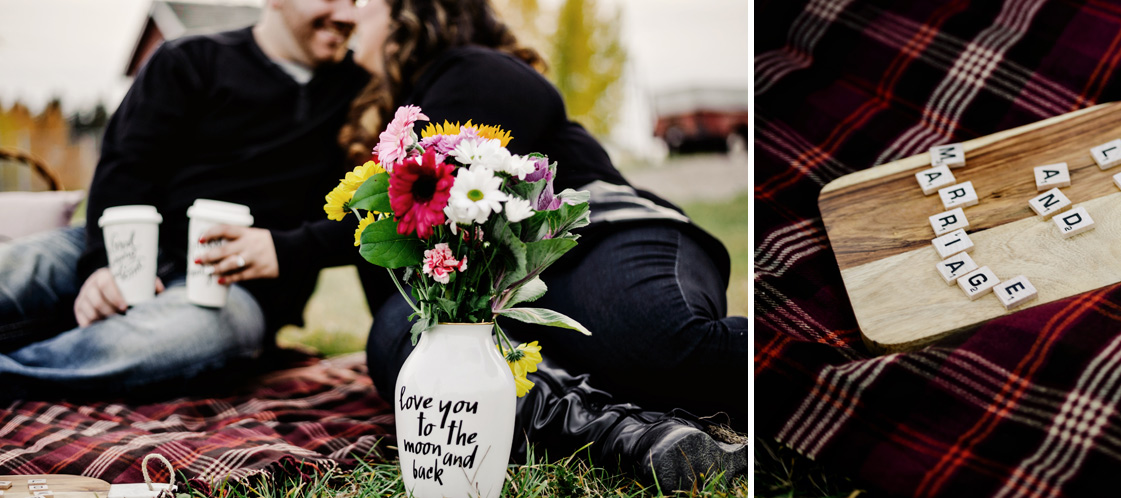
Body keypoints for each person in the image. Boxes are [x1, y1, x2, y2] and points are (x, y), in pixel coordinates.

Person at [345, 0, 748, 489]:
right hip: (500, 290)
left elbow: (425, 185)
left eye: (363, 2)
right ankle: (632, 438)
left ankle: (807, 357)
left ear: (411, 15)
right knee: (409, 338)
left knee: (661, 342)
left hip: (602, 235)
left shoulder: (477, 70)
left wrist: (285, 249)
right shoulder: (388, 115)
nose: (349, 15)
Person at [0, 0, 368, 400]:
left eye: (354, 1)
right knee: (19, 269)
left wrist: (285, 250)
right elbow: (125, 167)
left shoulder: (362, 92)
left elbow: (374, 215)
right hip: (127, 242)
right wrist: (105, 264)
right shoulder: (189, 59)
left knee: (167, 339)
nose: (348, 15)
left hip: (237, 291)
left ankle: (14, 375)